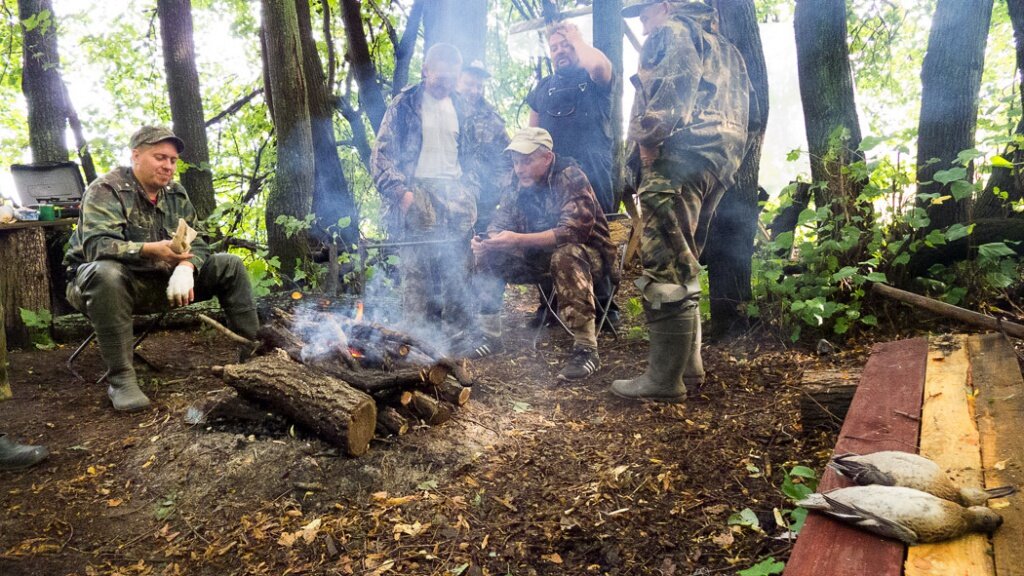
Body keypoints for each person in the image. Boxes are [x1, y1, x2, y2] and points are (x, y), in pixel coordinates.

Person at [612, 1, 751, 403]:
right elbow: (749, 111)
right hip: (716, 163)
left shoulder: (672, 32)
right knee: (684, 258)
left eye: (645, 11)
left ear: (668, 6)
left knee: (665, 265)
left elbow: (668, 101)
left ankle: (663, 381)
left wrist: (649, 146)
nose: (642, 21)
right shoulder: (726, 48)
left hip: (677, 159)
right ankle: (689, 369)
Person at [64, 126, 259, 412]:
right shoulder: (106, 189)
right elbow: (97, 247)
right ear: (136, 156)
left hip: (163, 281)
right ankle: (121, 380)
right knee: (105, 272)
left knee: (229, 264)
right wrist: (152, 249)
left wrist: (186, 266)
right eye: (160, 157)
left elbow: (200, 242)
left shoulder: (175, 194)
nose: (168, 166)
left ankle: (254, 357)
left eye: (173, 160)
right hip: (106, 287)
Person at [471, 127, 615, 381]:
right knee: (489, 255)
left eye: (526, 161)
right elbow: (500, 222)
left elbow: (572, 233)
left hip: (588, 257)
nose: (519, 168)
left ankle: (586, 349)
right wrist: (488, 242)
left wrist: (517, 239)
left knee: (565, 255)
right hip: (539, 256)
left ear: (547, 158)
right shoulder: (516, 184)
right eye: (516, 162)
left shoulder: (570, 177)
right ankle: (489, 335)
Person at [371, 43, 480, 343]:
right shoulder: (404, 104)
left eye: (451, 78)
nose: (445, 85)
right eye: (440, 78)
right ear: (426, 71)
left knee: (457, 267)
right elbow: (381, 156)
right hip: (416, 193)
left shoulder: (462, 107)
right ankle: (417, 340)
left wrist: (470, 192)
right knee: (417, 271)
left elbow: (472, 157)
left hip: (455, 196)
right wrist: (402, 194)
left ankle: (459, 339)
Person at [457, 60, 512, 233]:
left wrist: (496, 191)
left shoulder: (492, 120)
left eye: (479, 86)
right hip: (446, 198)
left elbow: (508, 160)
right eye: (469, 84)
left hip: (483, 202)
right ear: (457, 80)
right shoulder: (442, 109)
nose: (474, 91)